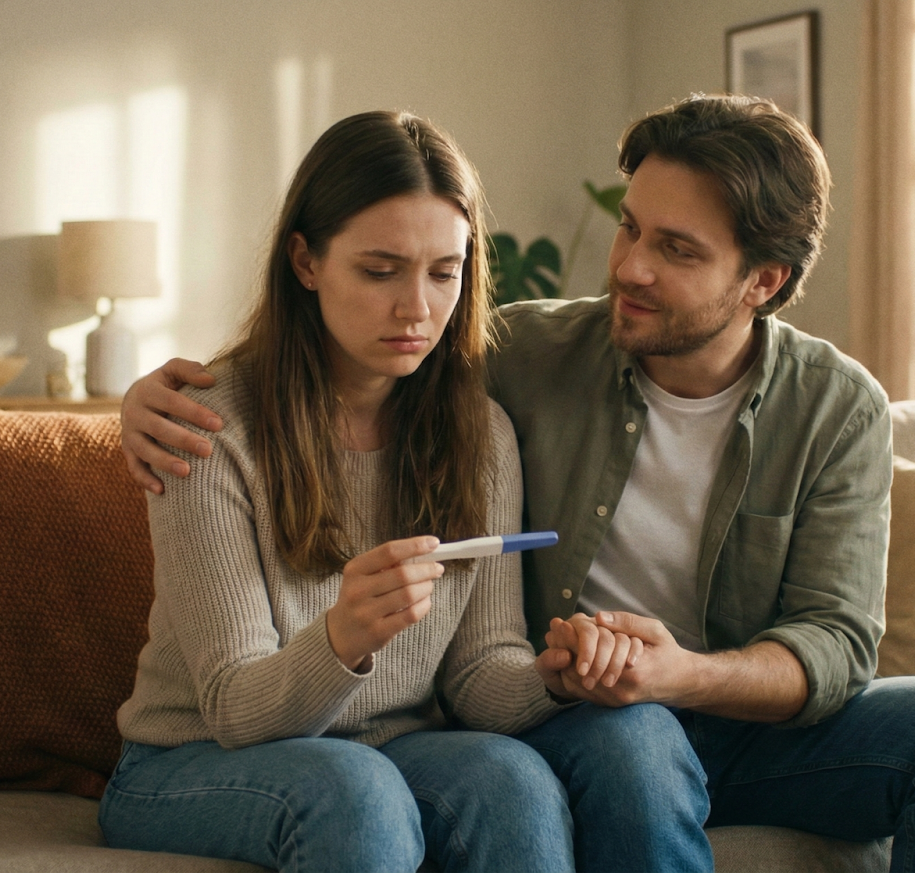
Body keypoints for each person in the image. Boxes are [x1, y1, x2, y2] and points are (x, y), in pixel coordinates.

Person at [121, 95, 915, 873]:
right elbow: (243, 686)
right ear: (307, 259)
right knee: (587, 750)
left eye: (677, 249)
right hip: (580, 727)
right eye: (630, 227)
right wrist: (132, 404)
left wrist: (636, 674)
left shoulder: (830, 407)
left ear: (763, 280)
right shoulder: (512, 359)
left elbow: (836, 643)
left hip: (706, 709)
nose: (631, 266)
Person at [98, 110, 597, 873]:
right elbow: (234, 706)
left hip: (387, 748)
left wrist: (551, 680)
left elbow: (476, 671)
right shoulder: (206, 426)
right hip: (189, 759)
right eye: (379, 270)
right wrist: (344, 636)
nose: (418, 309)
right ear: (305, 261)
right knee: (355, 790)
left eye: (444, 271)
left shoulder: (482, 433)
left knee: (513, 780)